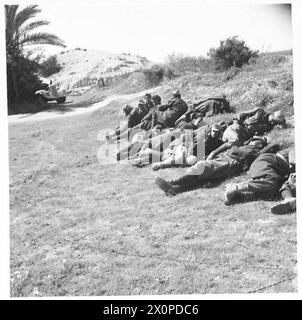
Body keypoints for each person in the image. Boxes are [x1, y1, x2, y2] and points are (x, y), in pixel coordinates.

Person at [155, 136, 277, 197]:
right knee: (201, 178)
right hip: (223, 159)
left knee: (201, 167)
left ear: (260, 144)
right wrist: (213, 153)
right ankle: (175, 190)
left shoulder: (256, 153)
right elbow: (226, 145)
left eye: (258, 141)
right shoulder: (241, 146)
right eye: (254, 139)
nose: (254, 141)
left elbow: (274, 145)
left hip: (230, 163)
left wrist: (267, 141)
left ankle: (172, 182)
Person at [223, 148, 294, 205]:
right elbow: (293, 162)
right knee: (270, 183)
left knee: (272, 192)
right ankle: (236, 187)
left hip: (276, 168)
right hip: (267, 161)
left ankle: (239, 194)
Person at [151, 123, 226, 171]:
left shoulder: (217, 140)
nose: (215, 133)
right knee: (179, 158)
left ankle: (165, 160)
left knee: (190, 160)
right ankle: (159, 165)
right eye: (214, 131)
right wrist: (189, 154)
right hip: (184, 144)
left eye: (217, 132)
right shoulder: (203, 134)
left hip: (192, 150)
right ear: (211, 130)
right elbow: (194, 144)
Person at [270, 150, 296, 214]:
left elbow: (291, 166)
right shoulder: (293, 152)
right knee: (287, 185)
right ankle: (289, 200)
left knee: (288, 184)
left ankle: (290, 200)